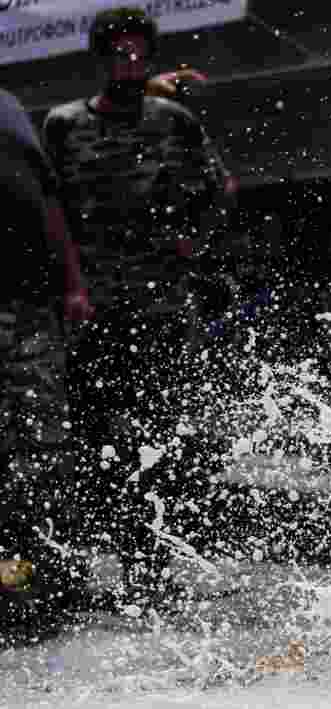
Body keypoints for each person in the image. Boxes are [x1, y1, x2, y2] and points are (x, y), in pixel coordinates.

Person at [42, 6, 236, 607]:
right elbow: (50, 215)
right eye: (117, 53)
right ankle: (122, 560)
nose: (128, 64)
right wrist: (69, 287)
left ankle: (164, 562)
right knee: (102, 441)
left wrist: (194, 241)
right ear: (99, 58)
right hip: (94, 310)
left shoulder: (172, 121)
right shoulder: (63, 125)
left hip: (162, 307)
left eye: (137, 53)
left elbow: (220, 187)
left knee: (168, 436)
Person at [0, 87, 93, 626]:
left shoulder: (7, 108)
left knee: (46, 450)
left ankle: (51, 583)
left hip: (32, 302)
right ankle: (14, 585)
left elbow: (48, 200)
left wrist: (72, 284)